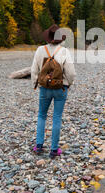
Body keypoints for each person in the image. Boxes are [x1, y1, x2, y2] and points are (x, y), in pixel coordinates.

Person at [31, 25, 76, 159]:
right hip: (60, 88)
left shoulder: (40, 50)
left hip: (44, 88)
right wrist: (68, 84)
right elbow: (71, 72)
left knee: (41, 115)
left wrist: (37, 84)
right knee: (56, 117)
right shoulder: (64, 51)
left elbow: (34, 70)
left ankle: (39, 146)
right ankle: (54, 150)